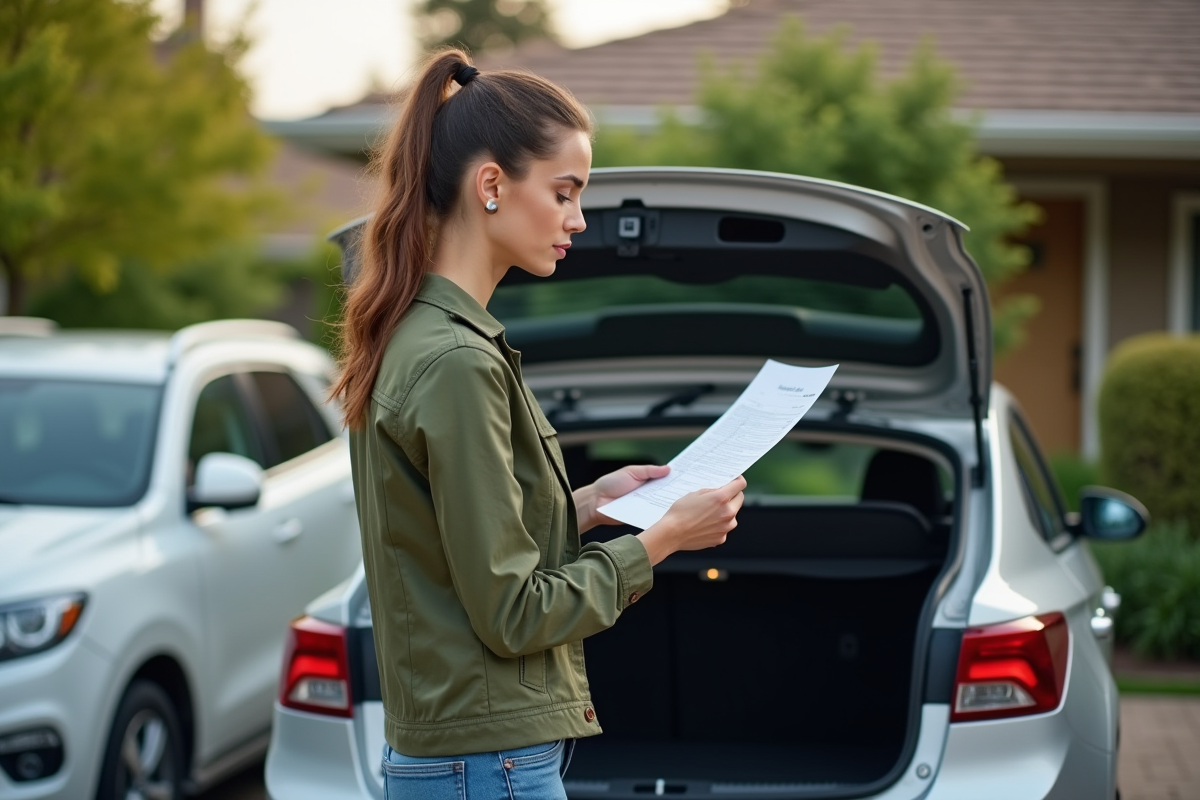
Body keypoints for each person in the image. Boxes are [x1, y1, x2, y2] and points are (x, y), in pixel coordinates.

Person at [332, 48, 746, 800]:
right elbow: (514, 615)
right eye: (564, 193)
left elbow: (458, 544)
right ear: (491, 184)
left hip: (468, 761)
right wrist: (660, 541)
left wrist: (592, 503)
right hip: (486, 767)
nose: (578, 220)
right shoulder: (455, 361)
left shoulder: (421, 336)